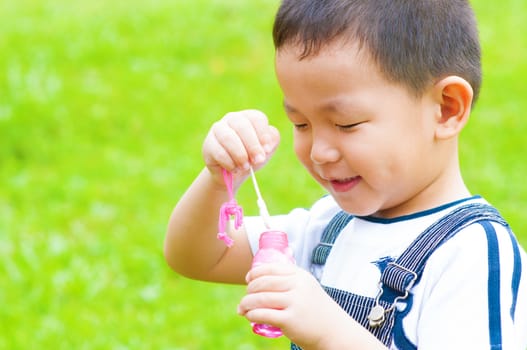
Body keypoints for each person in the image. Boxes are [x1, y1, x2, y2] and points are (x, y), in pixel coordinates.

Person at [164, 0, 527, 348]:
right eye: (300, 123)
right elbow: (197, 256)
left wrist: (330, 334)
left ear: (446, 108)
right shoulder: (328, 228)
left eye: (346, 124)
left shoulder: (471, 253)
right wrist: (218, 181)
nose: (319, 151)